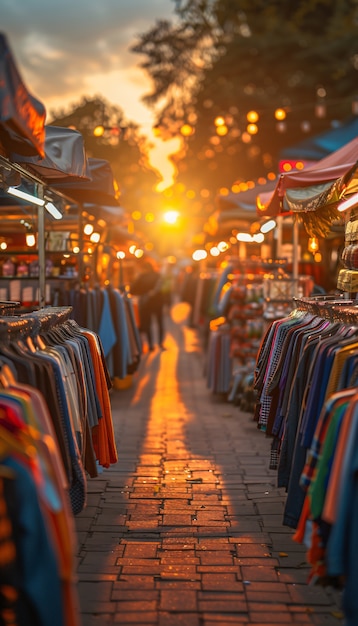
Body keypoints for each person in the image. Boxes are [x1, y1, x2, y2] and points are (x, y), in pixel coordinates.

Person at [130, 260, 166, 351]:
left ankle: (150, 345)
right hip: (158, 303)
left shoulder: (142, 277)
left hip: (146, 304)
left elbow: (132, 290)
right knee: (160, 323)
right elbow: (162, 288)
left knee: (147, 324)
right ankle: (160, 343)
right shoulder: (158, 276)